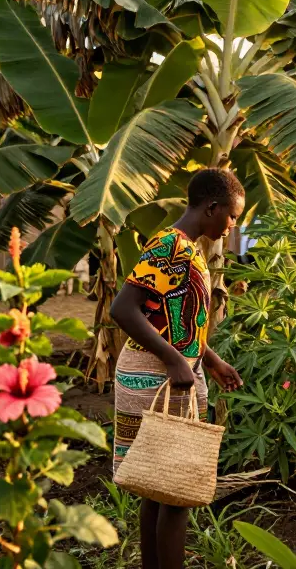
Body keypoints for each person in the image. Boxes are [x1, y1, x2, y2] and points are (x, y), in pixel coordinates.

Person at [110, 168, 246, 569]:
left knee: (159, 488)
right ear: (212, 207)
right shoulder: (170, 245)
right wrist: (173, 359)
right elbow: (123, 309)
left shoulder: (188, 248)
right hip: (156, 376)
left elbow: (172, 318)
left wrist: (210, 359)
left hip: (168, 373)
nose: (232, 225)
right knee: (176, 493)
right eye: (232, 216)